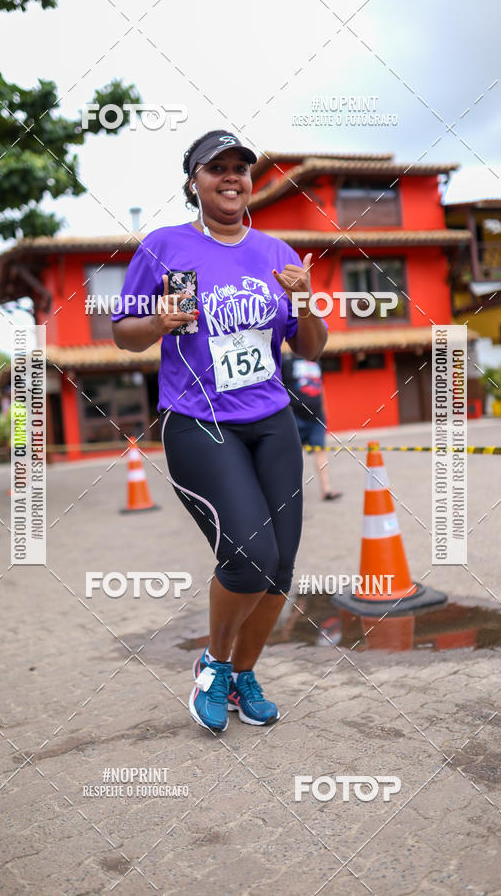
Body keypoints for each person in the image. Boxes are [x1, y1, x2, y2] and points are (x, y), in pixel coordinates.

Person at [112, 130, 327, 733]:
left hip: (272, 420)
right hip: (199, 423)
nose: (231, 178)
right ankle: (212, 664)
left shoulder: (277, 253)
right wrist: (160, 319)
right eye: (217, 169)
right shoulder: (163, 247)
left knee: (281, 566)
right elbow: (123, 332)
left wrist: (306, 303)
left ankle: (242, 676)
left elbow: (307, 348)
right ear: (194, 182)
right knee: (250, 554)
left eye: (241, 169)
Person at [281, 354, 342, 501]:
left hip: (317, 416)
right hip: (295, 416)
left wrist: (324, 412)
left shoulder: (316, 360)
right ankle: (297, 493)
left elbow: (321, 387)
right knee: (295, 456)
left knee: (320, 452)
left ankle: (326, 490)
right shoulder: (285, 360)